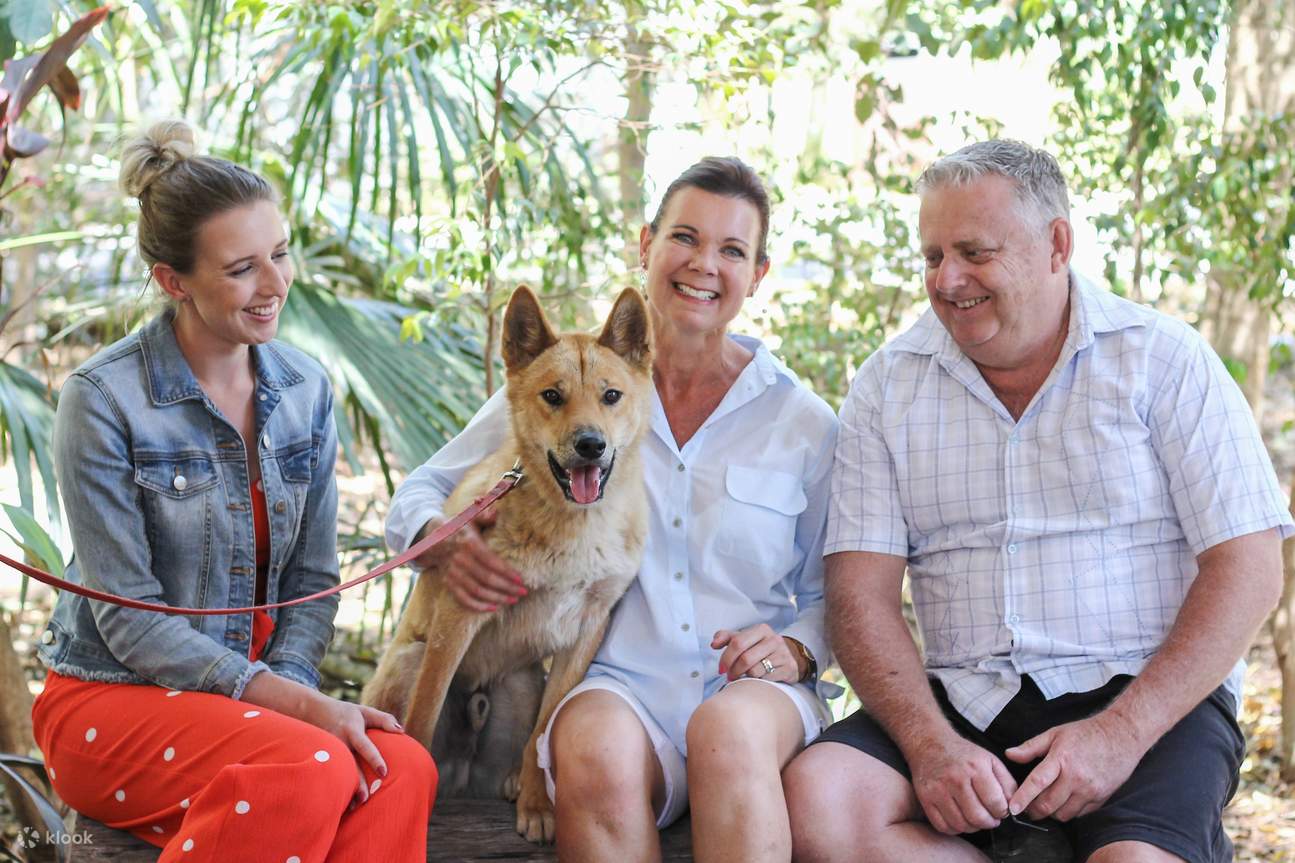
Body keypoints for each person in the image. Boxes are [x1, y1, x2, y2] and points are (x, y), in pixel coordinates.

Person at [783, 139, 1293, 863]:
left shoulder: (1162, 359)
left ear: (1056, 244)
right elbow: (858, 597)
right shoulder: (887, 383)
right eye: (931, 256)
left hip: (1146, 698)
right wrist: (930, 746)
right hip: (962, 698)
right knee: (817, 803)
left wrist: (1119, 733)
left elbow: (1249, 568)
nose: (947, 278)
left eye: (973, 252)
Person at [385, 156, 838, 862]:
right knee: (590, 752)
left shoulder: (802, 420)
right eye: (684, 238)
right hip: (617, 685)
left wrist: (797, 646)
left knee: (728, 735)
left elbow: (833, 591)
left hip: (750, 689)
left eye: (732, 250)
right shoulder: (565, 389)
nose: (703, 264)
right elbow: (422, 489)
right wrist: (442, 542)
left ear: (758, 274)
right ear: (645, 246)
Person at [31, 120, 435, 862]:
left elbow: (312, 586)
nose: (276, 284)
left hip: (254, 702)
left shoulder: (307, 389)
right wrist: (297, 710)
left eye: (279, 254)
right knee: (308, 767)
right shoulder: (104, 399)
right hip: (111, 697)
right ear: (172, 280)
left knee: (402, 767)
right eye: (242, 267)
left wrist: (291, 692)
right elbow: (133, 624)